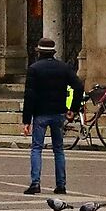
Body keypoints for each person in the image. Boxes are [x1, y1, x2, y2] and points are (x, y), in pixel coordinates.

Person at [20, 38, 79, 195]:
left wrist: (26, 120)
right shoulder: (63, 68)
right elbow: (78, 86)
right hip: (59, 113)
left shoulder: (34, 69)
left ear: (39, 52)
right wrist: (73, 108)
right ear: (54, 52)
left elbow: (29, 96)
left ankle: (35, 183)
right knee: (59, 149)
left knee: (37, 148)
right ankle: (61, 184)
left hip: (40, 114)